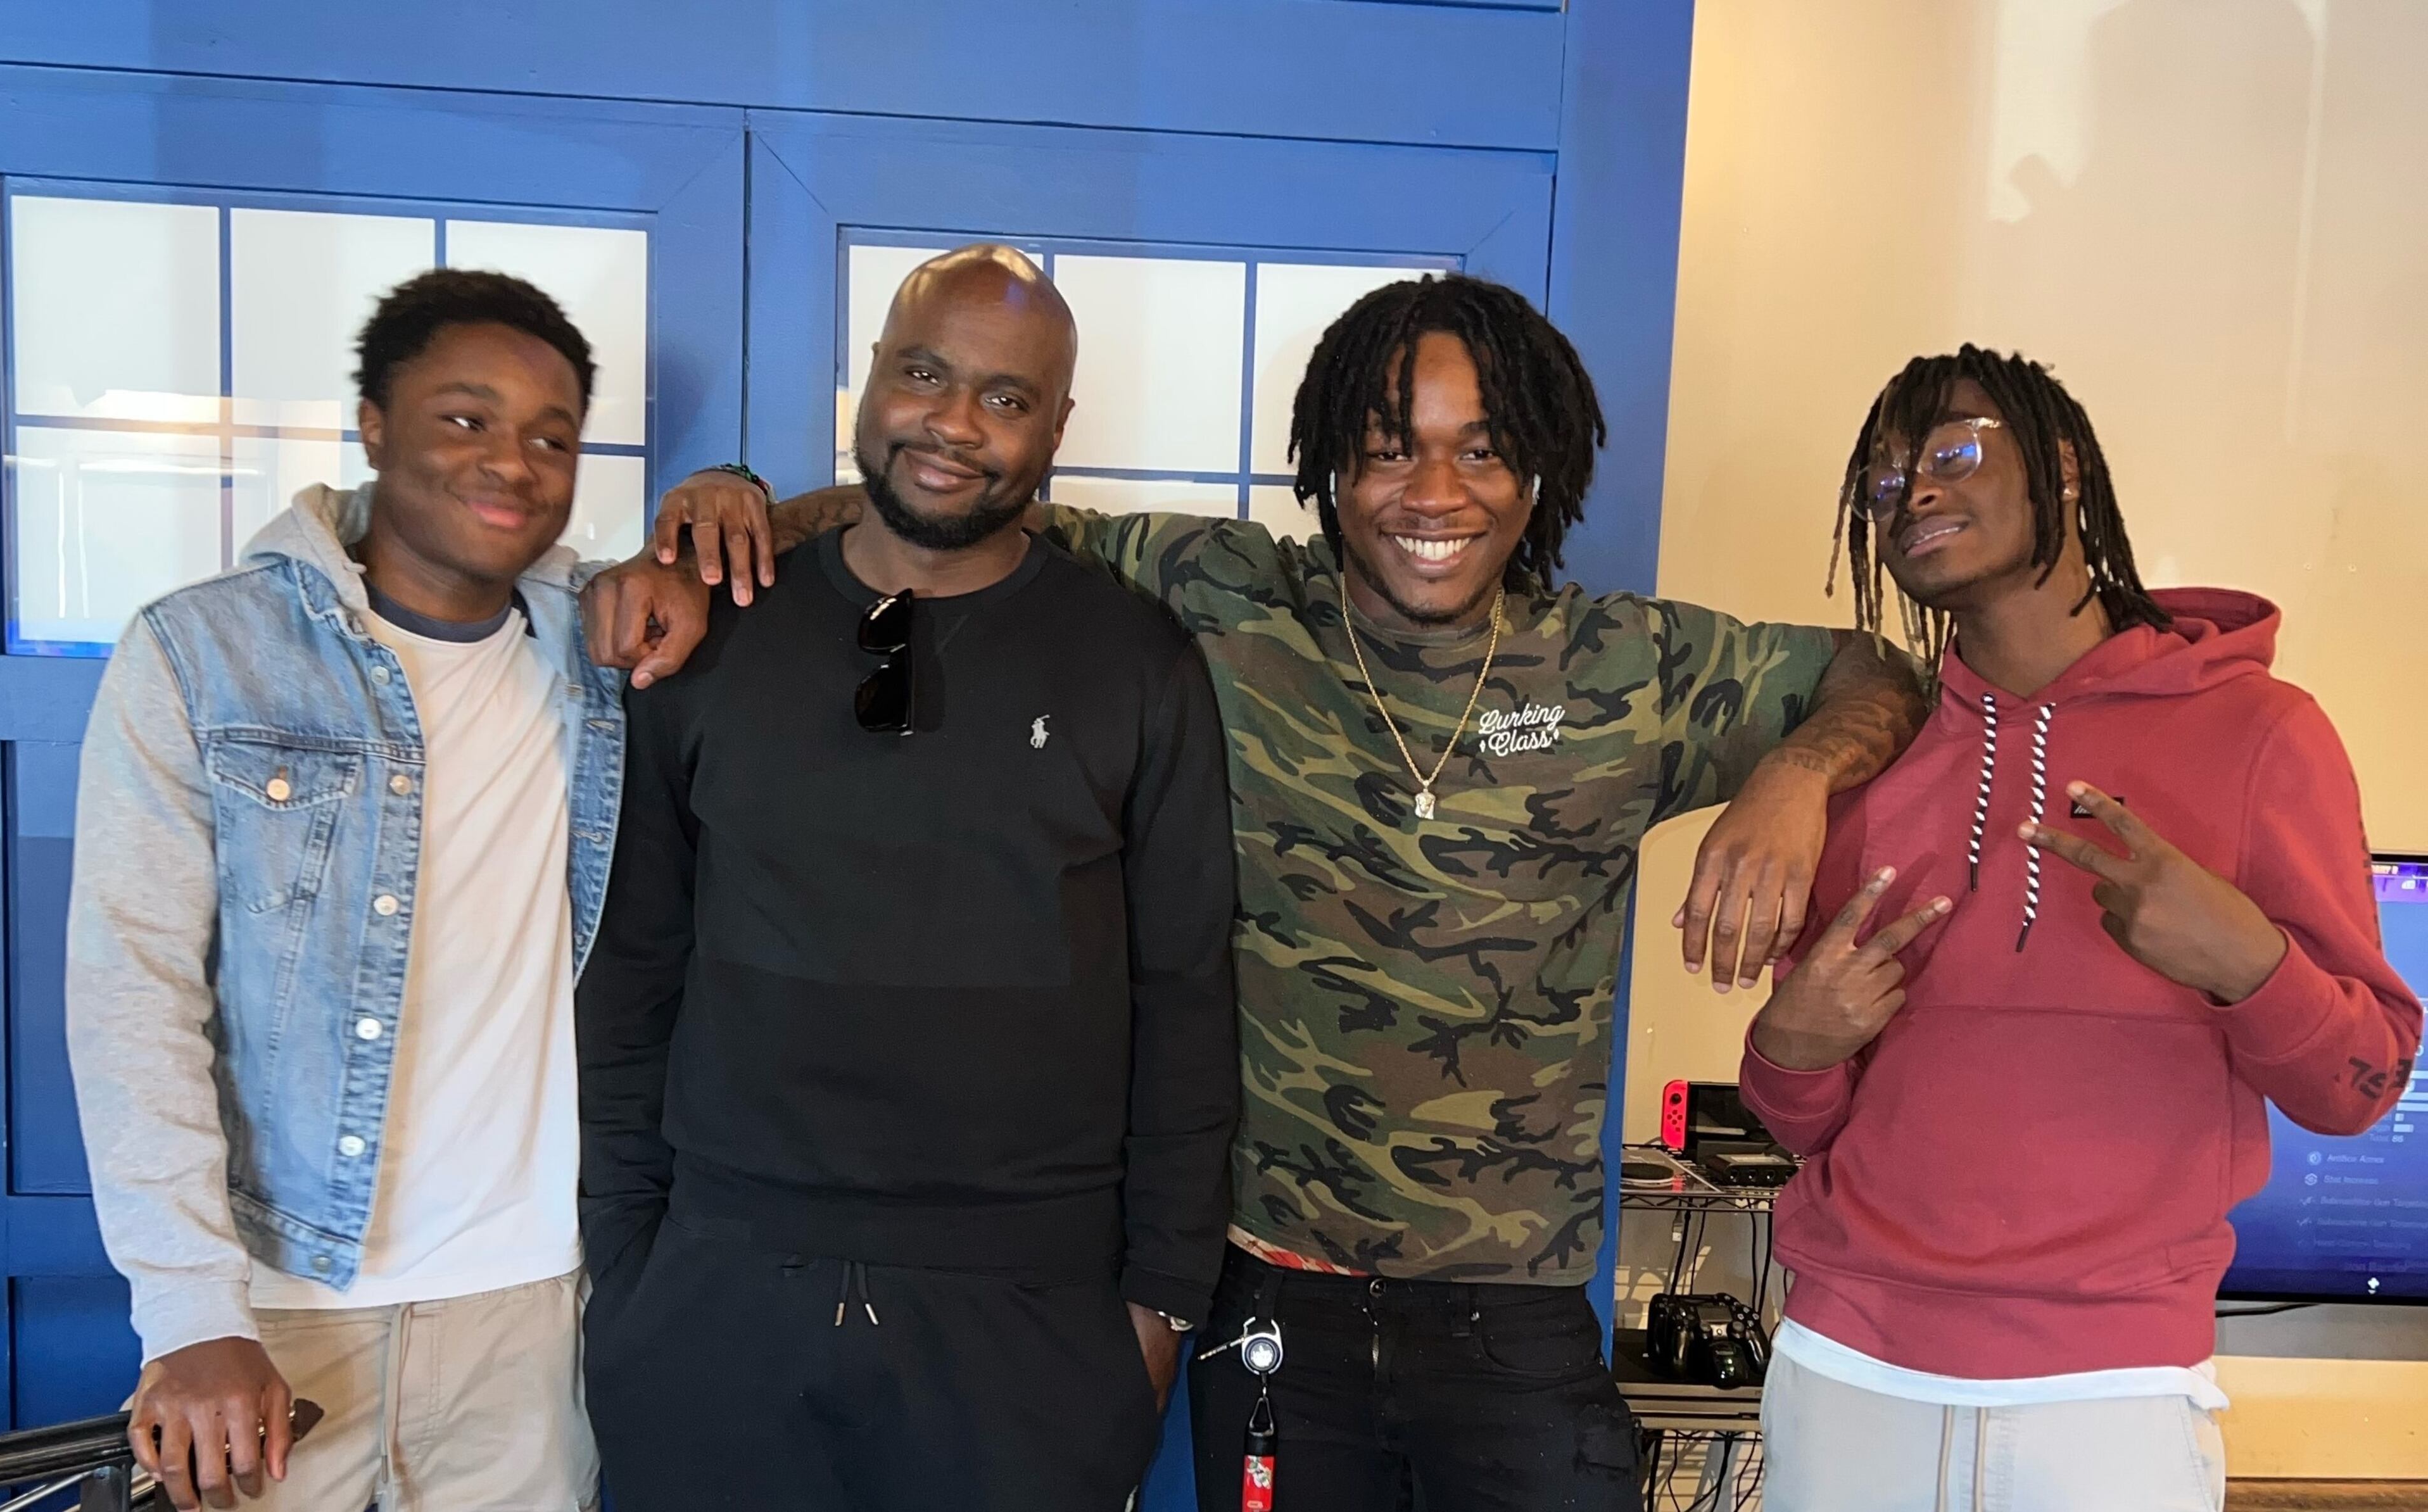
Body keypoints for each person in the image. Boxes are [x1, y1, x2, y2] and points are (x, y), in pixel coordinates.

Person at [592, 270, 1930, 1510]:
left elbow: (1879, 672)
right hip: (1270, 1304)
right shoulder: (1219, 598)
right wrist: (733, 516)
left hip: (1512, 1318)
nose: (1435, 489)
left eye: (1482, 446)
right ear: (1331, 463)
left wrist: (1793, 780)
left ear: (1542, 471)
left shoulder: (1631, 665)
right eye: (1391, 443)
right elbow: (943, 505)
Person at [574, 245, 1238, 1512]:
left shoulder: (1136, 662)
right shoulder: (714, 637)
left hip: (1029, 1321)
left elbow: (1188, 998)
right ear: (869, 380)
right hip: (717, 1298)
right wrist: (629, 1257)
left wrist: (1158, 1309)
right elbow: (634, 961)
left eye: (1007, 397)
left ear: (1057, 426)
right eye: (924, 374)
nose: (954, 426)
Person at [1740, 347, 2423, 1512]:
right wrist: (1788, 1050)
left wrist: (2247, 965)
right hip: (1847, 1361)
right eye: (1886, 478)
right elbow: (1809, 1119)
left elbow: (2359, 1086)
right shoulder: (1870, 754)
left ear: (2059, 467)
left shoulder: (2262, 734)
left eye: (1952, 449)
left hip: (2113, 1391)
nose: (1916, 491)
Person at [66, 270, 617, 1511]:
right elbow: (132, 996)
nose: (514, 462)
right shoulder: (204, 652)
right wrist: (190, 1313)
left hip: (533, 1308)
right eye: (466, 418)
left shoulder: (602, 659)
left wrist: (725, 500)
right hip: (275, 1306)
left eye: (551, 435)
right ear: (373, 423)